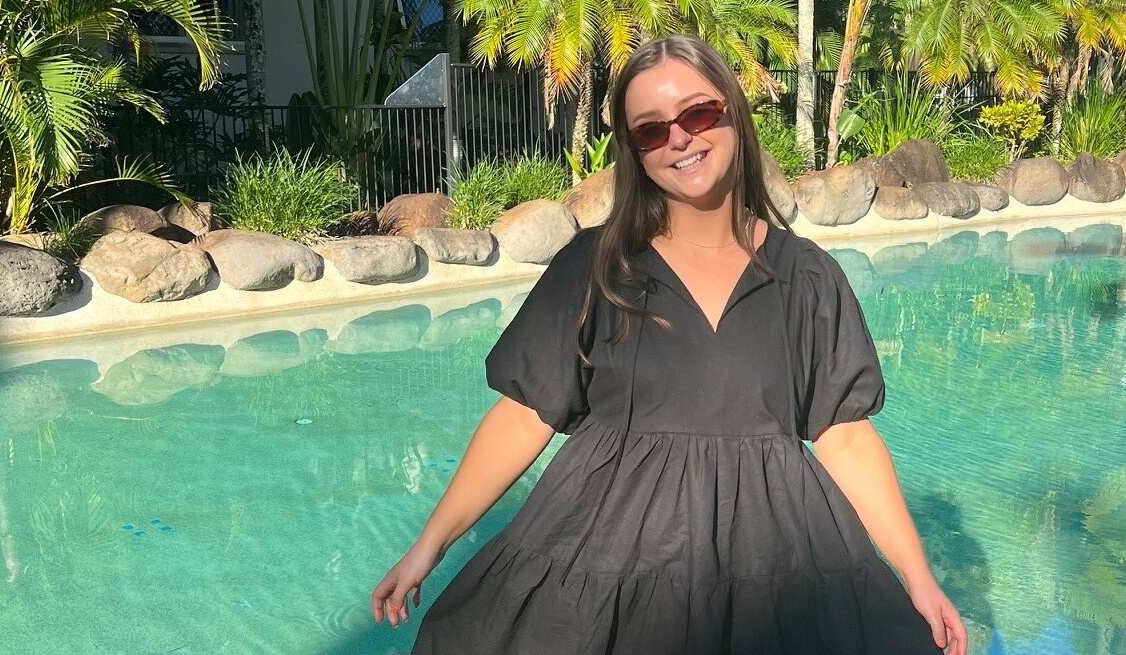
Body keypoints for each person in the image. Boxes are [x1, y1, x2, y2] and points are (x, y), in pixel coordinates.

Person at [372, 34, 968, 655]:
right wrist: (428, 547)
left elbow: (844, 434)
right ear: (635, 152)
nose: (679, 138)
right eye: (651, 130)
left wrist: (918, 577)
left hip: (770, 562)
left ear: (734, 112)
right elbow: (526, 415)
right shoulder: (597, 266)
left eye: (698, 113)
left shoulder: (808, 277)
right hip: (605, 557)